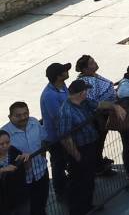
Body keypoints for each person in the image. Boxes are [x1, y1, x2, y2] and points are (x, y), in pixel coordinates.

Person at [57, 79, 124, 215]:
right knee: (78, 182)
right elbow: (65, 138)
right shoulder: (66, 111)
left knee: (89, 179)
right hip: (79, 149)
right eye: (86, 91)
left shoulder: (84, 102)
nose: (88, 92)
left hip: (90, 146)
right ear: (81, 93)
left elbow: (99, 105)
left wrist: (114, 107)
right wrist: (77, 156)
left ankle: (87, 206)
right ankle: (76, 210)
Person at [3, 102, 49, 215]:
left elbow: (43, 140)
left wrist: (43, 154)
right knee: (27, 209)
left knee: (41, 204)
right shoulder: (5, 134)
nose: (23, 117)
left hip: (41, 172)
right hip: (22, 180)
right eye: (18, 115)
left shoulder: (34, 122)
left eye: (25, 113)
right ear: (10, 117)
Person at [39, 63, 70, 195]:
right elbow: (57, 117)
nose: (67, 72)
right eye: (64, 71)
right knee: (58, 164)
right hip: (56, 137)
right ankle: (61, 191)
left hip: (67, 133)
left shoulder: (63, 87)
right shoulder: (49, 95)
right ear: (58, 76)